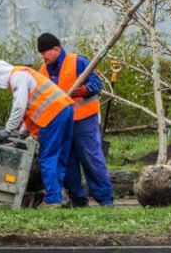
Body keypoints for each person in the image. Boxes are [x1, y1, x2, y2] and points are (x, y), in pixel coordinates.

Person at [37, 33, 114, 207]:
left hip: (84, 119)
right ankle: (78, 200)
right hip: (61, 123)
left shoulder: (78, 62)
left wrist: (86, 89)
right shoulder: (43, 71)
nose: (43, 57)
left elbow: (96, 83)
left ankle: (105, 200)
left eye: (45, 52)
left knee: (91, 159)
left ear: (56, 49)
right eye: (40, 54)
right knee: (68, 162)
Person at [0, 59, 74, 208]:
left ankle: (53, 200)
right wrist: (21, 133)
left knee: (47, 158)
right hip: (65, 109)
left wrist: (8, 130)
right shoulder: (25, 74)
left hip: (51, 115)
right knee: (60, 156)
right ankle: (60, 196)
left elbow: (19, 106)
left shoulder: (17, 77)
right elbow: (31, 108)